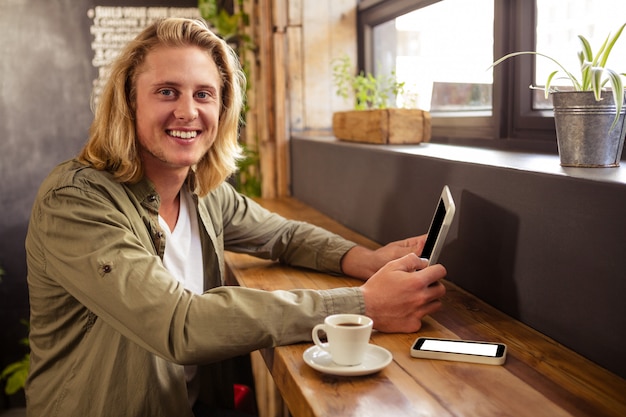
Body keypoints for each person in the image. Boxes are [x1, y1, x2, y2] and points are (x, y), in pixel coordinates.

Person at [25, 17, 446, 417]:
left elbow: (283, 235)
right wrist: (363, 305)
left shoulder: (201, 191)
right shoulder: (76, 201)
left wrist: (367, 260)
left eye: (203, 94)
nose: (188, 111)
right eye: (167, 91)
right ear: (129, 102)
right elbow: (179, 323)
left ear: (223, 108)